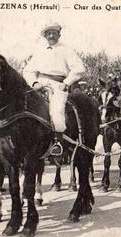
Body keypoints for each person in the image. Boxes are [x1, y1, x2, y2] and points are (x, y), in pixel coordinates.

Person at [23, 23, 85, 155]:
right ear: (45, 36)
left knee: (57, 110)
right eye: (48, 33)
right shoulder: (39, 51)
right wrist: (34, 83)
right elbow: (28, 71)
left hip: (58, 85)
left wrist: (67, 83)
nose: (51, 35)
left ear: (59, 34)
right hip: (39, 85)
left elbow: (79, 69)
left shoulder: (67, 50)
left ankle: (57, 141)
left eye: (54, 33)